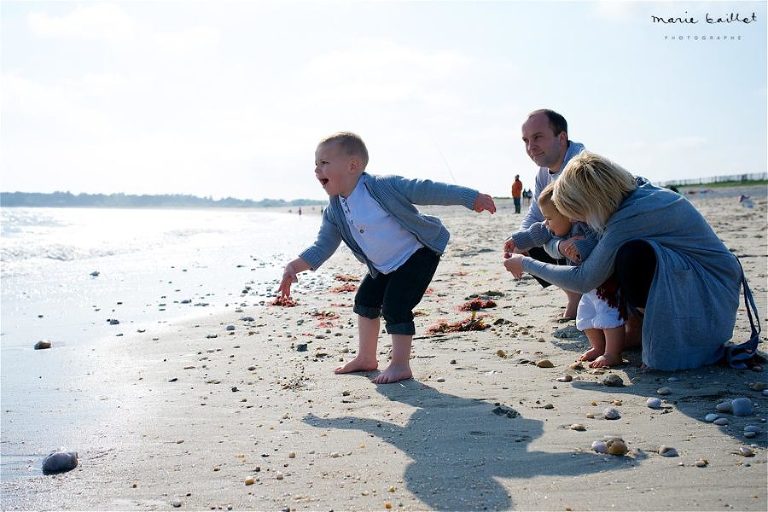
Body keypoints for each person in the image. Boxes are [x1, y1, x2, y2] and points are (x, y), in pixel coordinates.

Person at [503, 151, 755, 371]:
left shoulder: (631, 216)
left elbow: (585, 279)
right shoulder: (631, 192)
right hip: (697, 282)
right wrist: (553, 244)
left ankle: (654, 334)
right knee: (617, 254)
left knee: (632, 257)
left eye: (577, 211)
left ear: (592, 199)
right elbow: (552, 233)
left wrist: (526, 264)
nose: (576, 219)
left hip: (710, 297)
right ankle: (636, 330)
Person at [278, 132, 497, 384]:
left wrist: (471, 198)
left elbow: (428, 190)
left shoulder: (382, 187)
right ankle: (366, 358)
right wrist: (294, 266)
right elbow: (323, 246)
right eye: (316, 164)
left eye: (324, 163)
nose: (317, 170)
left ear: (353, 166)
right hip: (383, 266)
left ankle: (401, 364)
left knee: (396, 305)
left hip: (418, 253)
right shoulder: (334, 210)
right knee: (365, 300)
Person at [505, 182, 627, 368]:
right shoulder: (557, 225)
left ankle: (613, 353)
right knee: (586, 316)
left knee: (609, 316)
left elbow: (595, 243)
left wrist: (579, 249)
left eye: (549, 218)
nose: (546, 223)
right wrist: (516, 240)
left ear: (569, 214)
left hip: (604, 284)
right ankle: (598, 346)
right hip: (587, 288)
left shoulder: (586, 226)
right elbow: (537, 232)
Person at [508, 109, 585, 321]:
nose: (530, 147)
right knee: (526, 238)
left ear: (562, 138)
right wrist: (517, 242)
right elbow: (535, 214)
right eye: (526, 140)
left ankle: (582, 293)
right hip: (566, 239)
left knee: (550, 230)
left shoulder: (580, 167)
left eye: (538, 137)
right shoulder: (544, 172)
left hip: (591, 242)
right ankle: (574, 295)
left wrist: (556, 245)